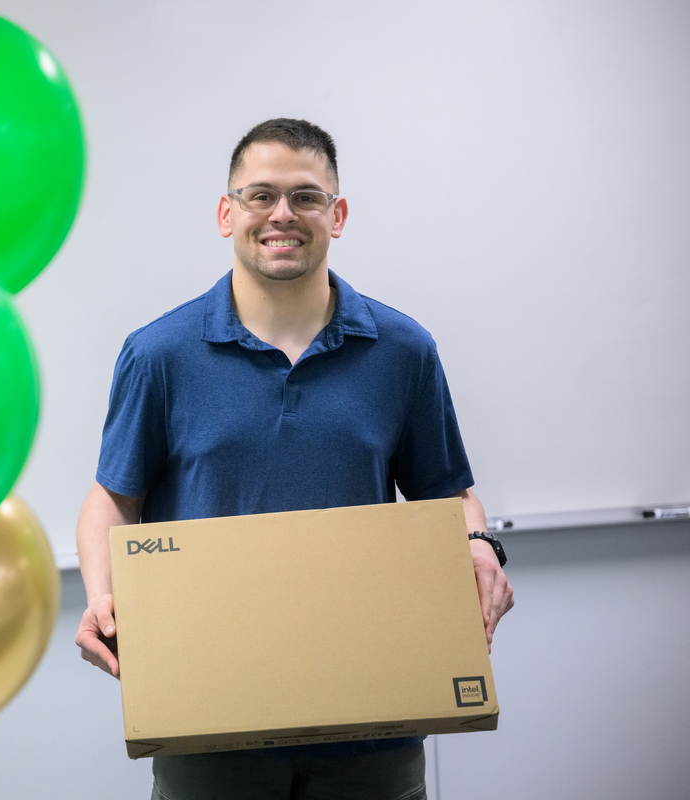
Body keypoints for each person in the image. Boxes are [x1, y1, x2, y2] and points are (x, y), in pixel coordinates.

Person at [73, 118, 514, 800]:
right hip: (209, 716)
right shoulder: (158, 354)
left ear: (337, 215)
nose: (283, 214)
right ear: (227, 213)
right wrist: (103, 598)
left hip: (376, 720)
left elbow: (448, 495)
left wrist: (478, 543)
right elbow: (113, 498)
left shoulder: (403, 349)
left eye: (307, 197)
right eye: (260, 195)